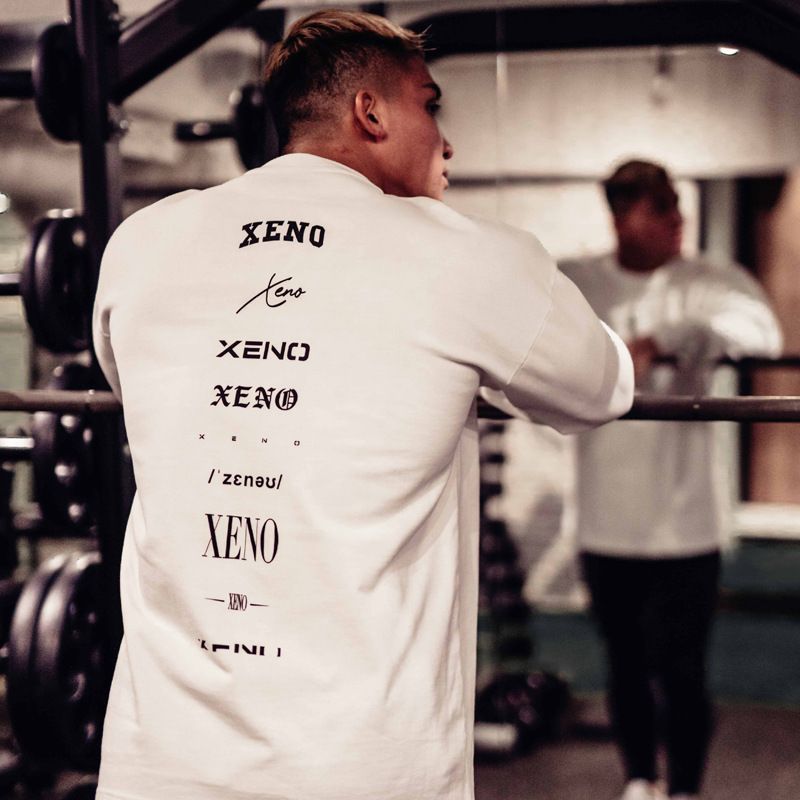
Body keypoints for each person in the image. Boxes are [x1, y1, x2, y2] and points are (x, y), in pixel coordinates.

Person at [91, 10, 634, 800]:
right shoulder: (469, 255)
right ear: (369, 112)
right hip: (358, 772)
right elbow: (601, 387)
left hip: (157, 767)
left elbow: (129, 379)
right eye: (430, 105)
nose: (446, 141)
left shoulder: (143, 242)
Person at [560, 160, 783, 800]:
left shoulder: (708, 280)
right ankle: (639, 780)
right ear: (620, 216)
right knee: (625, 666)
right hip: (607, 520)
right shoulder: (579, 282)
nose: (675, 219)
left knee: (682, 671)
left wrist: (667, 338)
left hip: (686, 524)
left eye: (676, 204)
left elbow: (762, 334)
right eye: (658, 207)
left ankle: (685, 789)